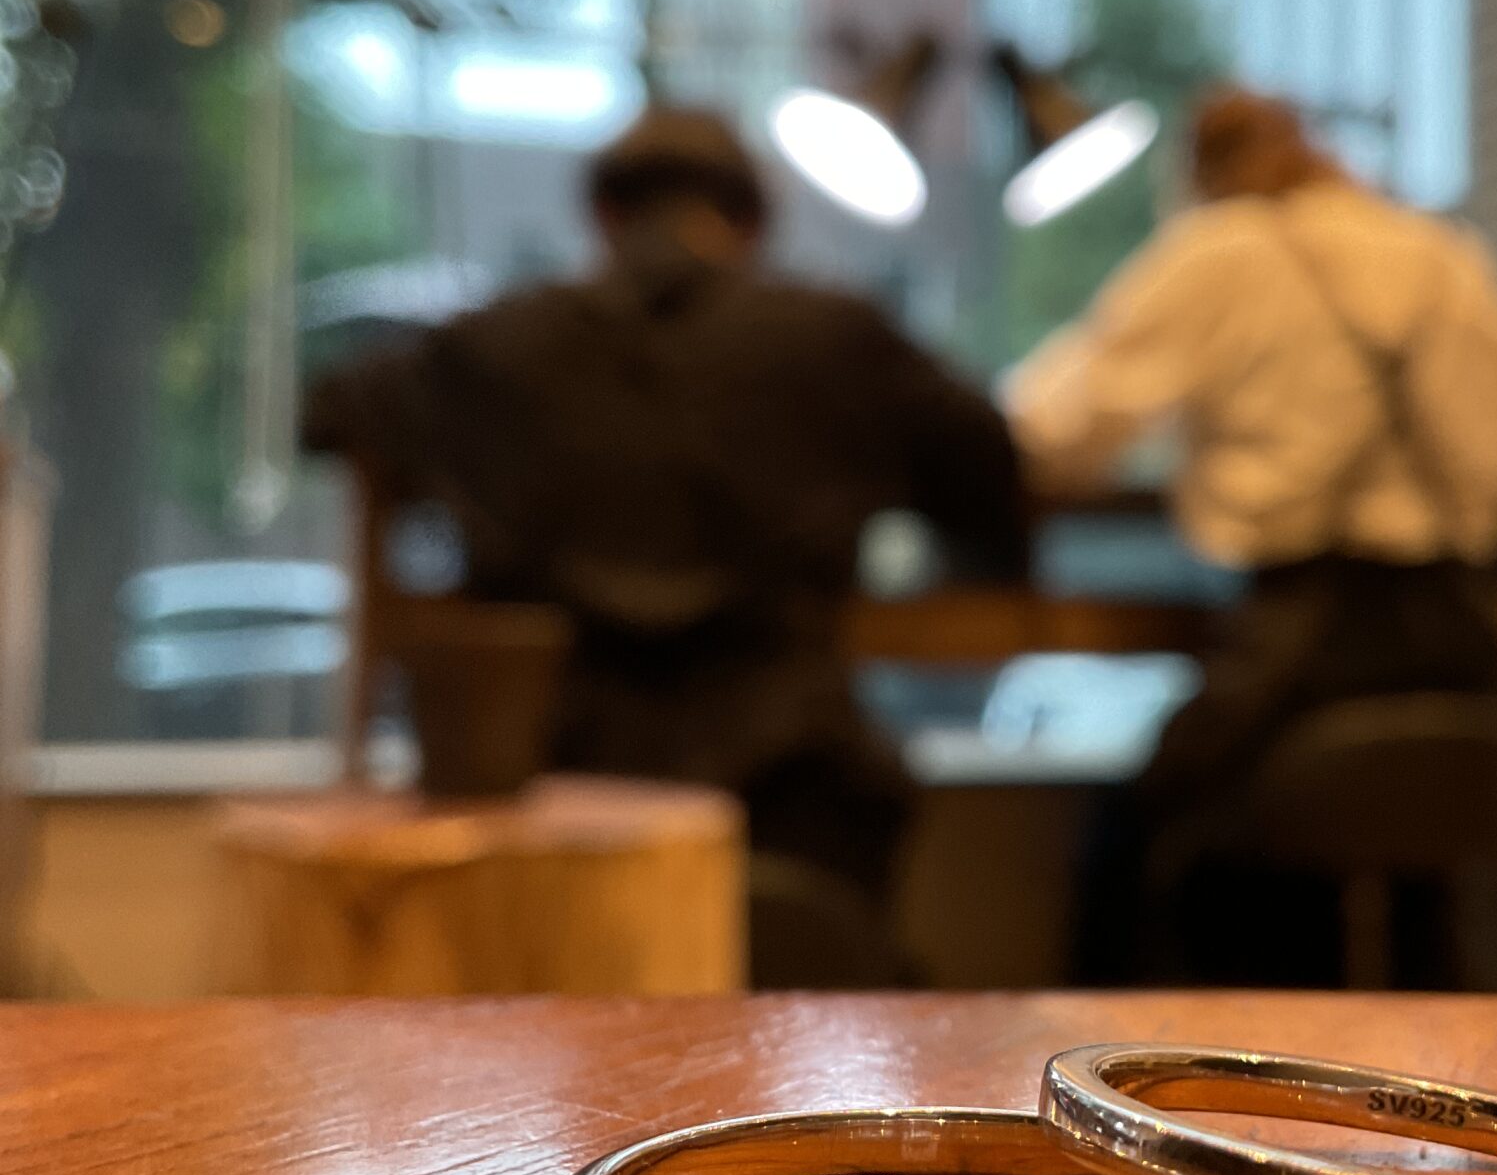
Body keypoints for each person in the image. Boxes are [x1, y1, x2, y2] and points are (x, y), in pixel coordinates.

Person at [304, 107, 1029, 984]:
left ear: (603, 216)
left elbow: (329, 413)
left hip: (560, 791)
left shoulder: (493, 348)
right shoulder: (837, 339)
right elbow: (992, 473)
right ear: (752, 224)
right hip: (796, 790)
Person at [1005, 87, 1497, 986]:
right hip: (1464, 649)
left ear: (1203, 173)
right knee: (1435, 888)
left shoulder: (1222, 251)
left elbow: (1053, 427)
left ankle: (1154, 1056)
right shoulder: (1444, 257)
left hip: (1305, 650)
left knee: (1137, 834)